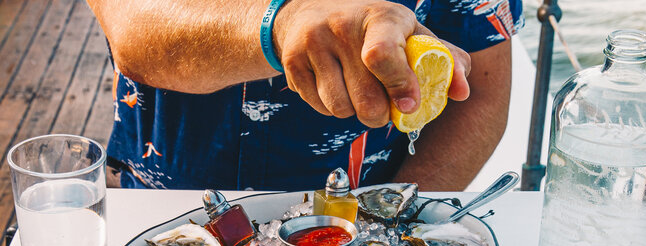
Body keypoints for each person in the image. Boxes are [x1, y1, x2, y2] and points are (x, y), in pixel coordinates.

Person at [86, 0, 523, 191]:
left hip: (361, 212)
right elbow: (132, 30)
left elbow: (480, 94)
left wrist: (389, 227)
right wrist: (283, 25)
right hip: (157, 209)